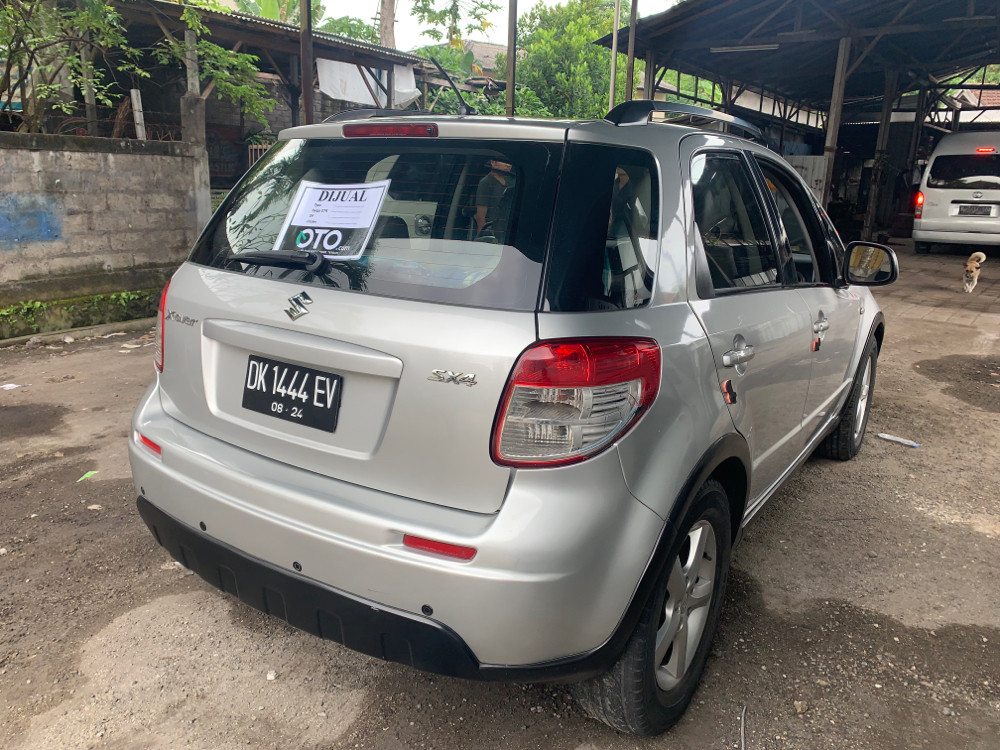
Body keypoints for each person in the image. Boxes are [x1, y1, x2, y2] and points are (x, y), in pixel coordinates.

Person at [475, 159, 514, 239]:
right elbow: (480, 217)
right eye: (504, 161)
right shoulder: (486, 183)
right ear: (493, 162)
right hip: (493, 234)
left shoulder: (509, 183)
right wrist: (484, 237)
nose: (508, 165)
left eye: (510, 163)